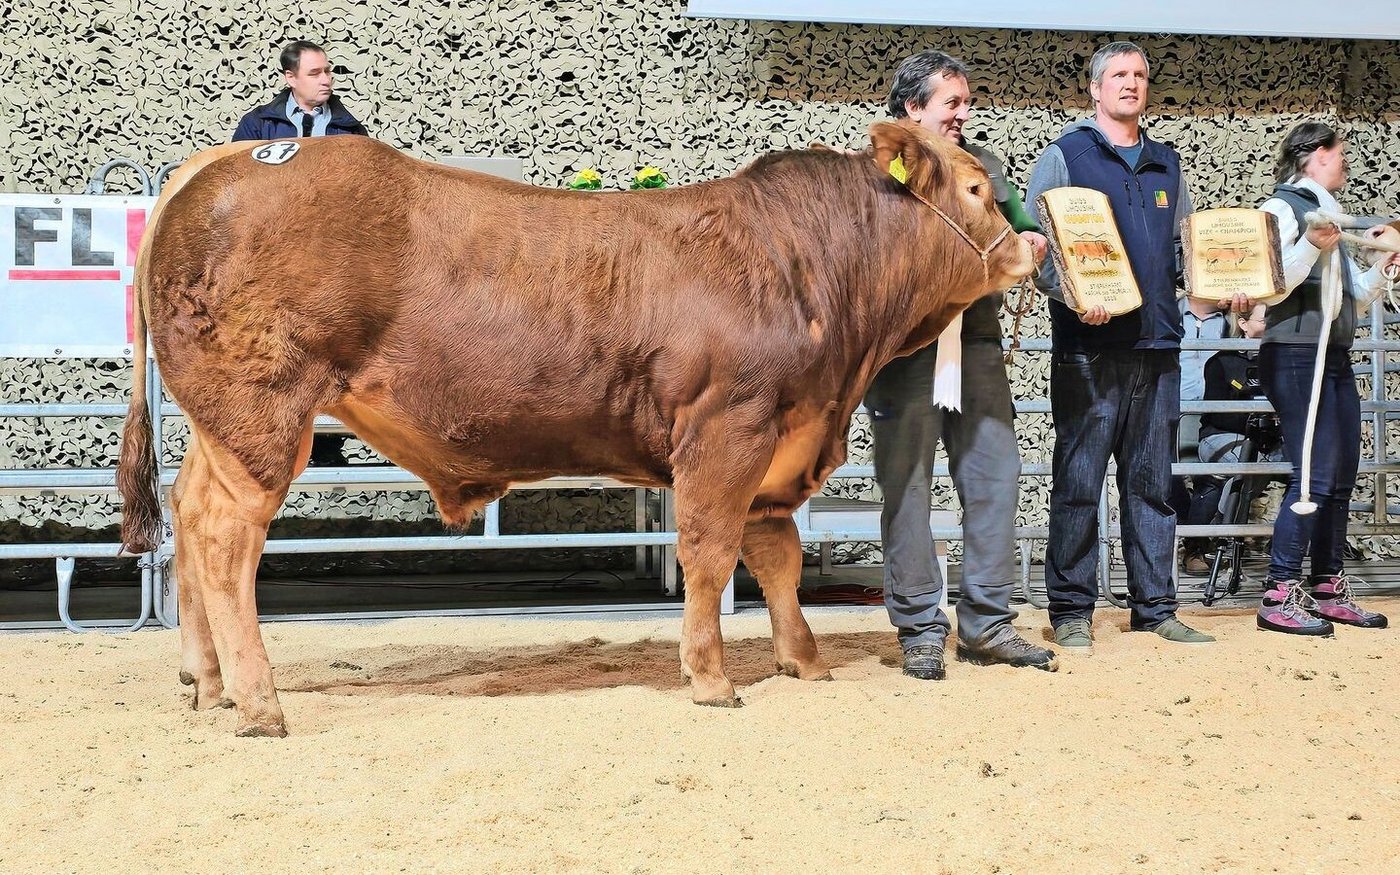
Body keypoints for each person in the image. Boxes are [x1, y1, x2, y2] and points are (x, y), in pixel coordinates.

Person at [865, 50, 1056, 680]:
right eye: (952, 102)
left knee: (996, 476)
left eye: (966, 102)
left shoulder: (986, 167)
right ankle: (920, 626)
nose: (963, 113)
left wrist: (1029, 238)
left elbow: (1019, 223)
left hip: (975, 342)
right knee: (908, 487)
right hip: (905, 350)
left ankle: (988, 624)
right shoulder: (875, 172)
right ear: (912, 108)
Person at [1026, 41, 1223, 650]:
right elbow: (1039, 250)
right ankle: (1071, 609)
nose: (1130, 84)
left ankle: (1155, 607)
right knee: (1080, 479)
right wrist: (1073, 295)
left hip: (1159, 344)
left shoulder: (1168, 163)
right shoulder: (1064, 156)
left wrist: (1223, 290)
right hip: (1090, 346)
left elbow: (1188, 253)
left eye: (1139, 75)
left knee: (1152, 485)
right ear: (1095, 87)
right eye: (1118, 75)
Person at [1253, 122, 1398, 635]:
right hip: (1293, 351)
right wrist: (1313, 244)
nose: (1345, 163)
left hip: (1331, 352)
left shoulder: (1329, 214)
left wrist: (1384, 263)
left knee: (1338, 476)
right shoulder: (1280, 209)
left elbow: (1352, 293)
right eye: (1339, 154)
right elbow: (1269, 286)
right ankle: (1279, 590)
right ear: (1314, 155)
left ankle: (1327, 584)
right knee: (1313, 473)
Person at [234, 40, 368, 466]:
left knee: (328, 351)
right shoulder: (257, 125)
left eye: (328, 71)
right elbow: (238, 188)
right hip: (272, 262)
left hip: (332, 263)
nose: (326, 79)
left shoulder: (351, 131)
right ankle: (273, 445)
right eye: (315, 73)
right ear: (290, 79)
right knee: (276, 355)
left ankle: (326, 447)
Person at [1178, 295, 1232, 574]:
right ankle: (1182, 540)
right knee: (1167, 478)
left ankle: (1195, 548)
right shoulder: (1171, 312)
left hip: (1216, 412)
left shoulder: (1232, 321)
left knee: (1210, 478)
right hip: (1173, 408)